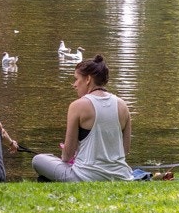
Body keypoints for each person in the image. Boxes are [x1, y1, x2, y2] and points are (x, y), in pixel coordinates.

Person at [32, 54, 134, 182]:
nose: (74, 84)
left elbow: (67, 155)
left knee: (38, 160)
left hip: (84, 176)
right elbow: (125, 150)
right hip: (121, 175)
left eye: (76, 79)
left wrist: (71, 154)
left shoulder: (77, 106)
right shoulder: (123, 105)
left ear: (88, 79)